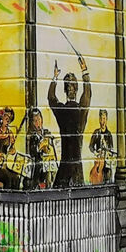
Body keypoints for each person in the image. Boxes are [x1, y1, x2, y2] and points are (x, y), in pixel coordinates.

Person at [47, 59, 92, 187]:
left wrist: (55, 77)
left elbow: (51, 98)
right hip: (77, 168)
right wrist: (85, 71)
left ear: (65, 91)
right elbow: (87, 95)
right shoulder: (81, 111)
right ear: (76, 90)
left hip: (64, 166)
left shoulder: (62, 110)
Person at [25, 108, 55, 190]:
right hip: (38, 164)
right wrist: (39, 146)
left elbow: (53, 147)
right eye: (35, 121)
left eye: (38, 119)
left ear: (42, 119)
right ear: (32, 123)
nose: (37, 122)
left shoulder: (46, 133)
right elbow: (32, 152)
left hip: (49, 162)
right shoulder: (32, 136)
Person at [89, 110, 116, 184]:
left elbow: (111, 148)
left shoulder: (109, 134)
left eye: (104, 119)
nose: (102, 121)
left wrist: (108, 150)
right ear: (99, 120)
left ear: (106, 120)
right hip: (99, 161)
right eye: (101, 119)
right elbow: (91, 146)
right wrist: (96, 152)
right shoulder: (96, 132)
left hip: (106, 161)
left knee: (107, 177)